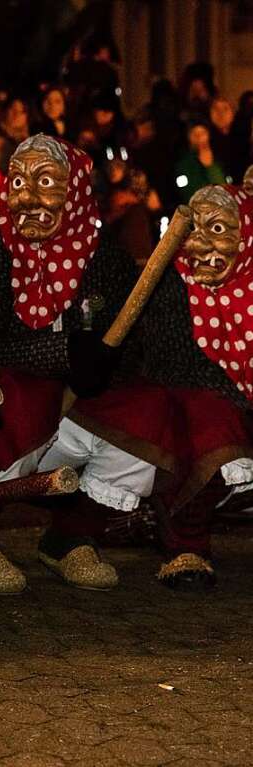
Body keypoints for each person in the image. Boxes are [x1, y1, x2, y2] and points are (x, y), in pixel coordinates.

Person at [0, 135, 170, 592]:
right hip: (5, 419)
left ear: (73, 191)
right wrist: (60, 355)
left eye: (45, 181)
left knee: (147, 414)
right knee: (16, 397)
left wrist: (108, 364)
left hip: (73, 416)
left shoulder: (104, 258)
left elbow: (132, 350)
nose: (28, 197)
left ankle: (71, 537)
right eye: (18, 182)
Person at [138, 184, 253, 589]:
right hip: (198, 397)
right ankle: (187, 541)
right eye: (193, 231)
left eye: (218, 228)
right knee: (212, 427)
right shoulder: (174, 284)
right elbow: (172, 363)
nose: (202, 244)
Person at [175, 120, 227, 204]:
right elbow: (185, 192)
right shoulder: (183, 164)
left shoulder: (219, 156)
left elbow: (224, 187)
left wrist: (210, 167)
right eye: (194, 134)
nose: (199, 137)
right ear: (189, 137)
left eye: (202, 133)